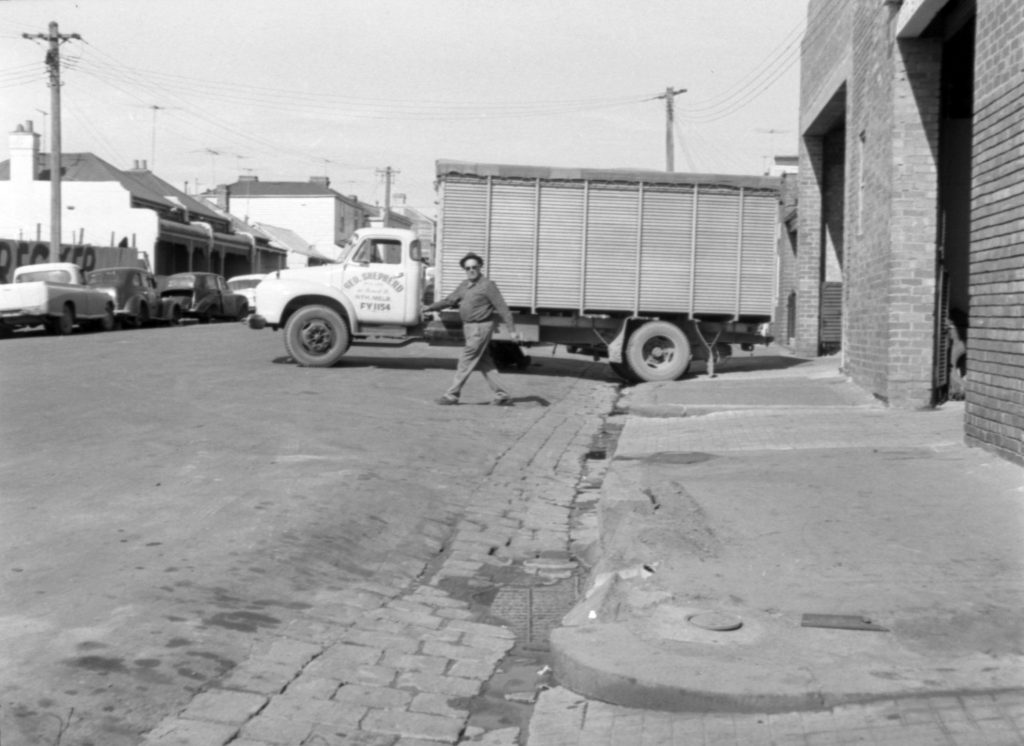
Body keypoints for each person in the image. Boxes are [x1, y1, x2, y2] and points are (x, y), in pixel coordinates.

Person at [422, 252, 521, 406]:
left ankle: (452, 395)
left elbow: (503, 309)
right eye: (468, 268)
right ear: (464, 269)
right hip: (469, 327)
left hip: (480, 327)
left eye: (474, 267)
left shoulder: (488, 285)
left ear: (480, 267)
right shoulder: (464, 285)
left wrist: (512, 330)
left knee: (465, 361)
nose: (471, 270)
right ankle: (503, 395)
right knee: (485, 362)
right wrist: (430, 307)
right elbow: (449, 300)